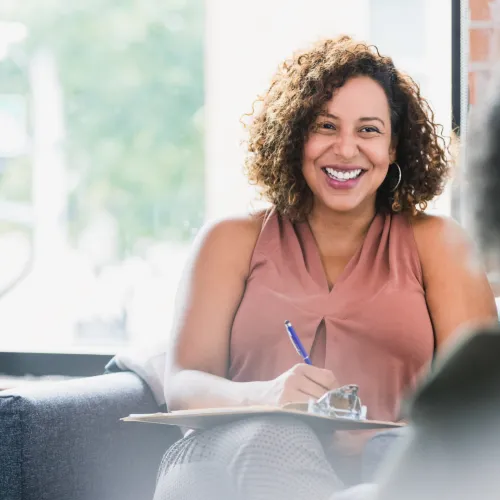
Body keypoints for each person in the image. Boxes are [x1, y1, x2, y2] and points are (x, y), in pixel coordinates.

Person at [153, 36, 497, 500]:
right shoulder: (231, 239)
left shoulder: (437, 243)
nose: (346, 148)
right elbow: (183, 384)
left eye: (369, 130)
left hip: (379, 471)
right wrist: (270, 397)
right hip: (221, 461)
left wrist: (383, 437)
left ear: (394, 148)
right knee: (278, 435)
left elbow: (476, 407)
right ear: (296, 136)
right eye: (326, 126)